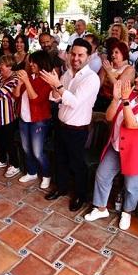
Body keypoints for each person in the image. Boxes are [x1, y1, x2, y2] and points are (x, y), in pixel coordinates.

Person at [84, 68, 138, 230]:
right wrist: (116, 100)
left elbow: (131, 124)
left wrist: (125, 100)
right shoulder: (131, 96)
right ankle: (101, 208)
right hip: (116, 146)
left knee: (131, 186)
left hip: (137, 153)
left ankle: (127, 211)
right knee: (102, 176)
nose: (136, 80)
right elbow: (109, 117)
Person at [41, 38, 100, 211]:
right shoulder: (67, 74)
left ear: (88, 57)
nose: (75, 58)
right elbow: (55, 98)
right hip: (61, 125)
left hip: (77, 129)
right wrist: (54, 87)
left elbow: (74, 102)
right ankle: (61, 188)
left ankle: (80, 196)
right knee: (60, 160)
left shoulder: (92, 78)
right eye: (73, 54)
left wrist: (57, 85)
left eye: (80, 55)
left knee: (77, 164)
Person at [12, 50, 53, 189]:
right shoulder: (29, 76)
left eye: (34, 61)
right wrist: (19, 83)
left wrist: (26, 81)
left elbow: (36, 100)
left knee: (37, 151)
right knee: (26, 148)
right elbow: (16, 96)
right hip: (24, 119)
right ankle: (32, 172)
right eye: (30, 61)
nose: (31, 64)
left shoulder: (47, 80)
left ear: (41, 62)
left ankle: (47, 174)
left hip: (38, 120)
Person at [94, 42, 135, 112]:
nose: (113, 55)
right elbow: (98, 84)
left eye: (116, 52)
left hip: (114, 103)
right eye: (112, 52)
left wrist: (109, 72)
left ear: (123, 53)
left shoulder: (129, 69)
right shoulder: (108, 65)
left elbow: (119, 88)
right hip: (100, 99)